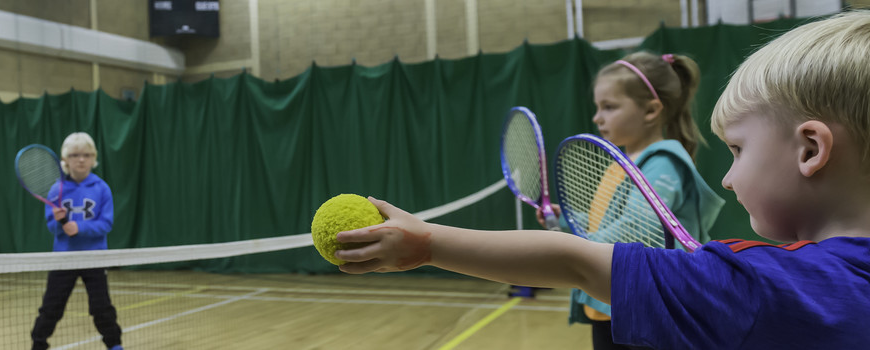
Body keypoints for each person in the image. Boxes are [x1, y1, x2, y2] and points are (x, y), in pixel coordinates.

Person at [335, 11, 870, 349]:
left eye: (737, 150)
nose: (727, 179)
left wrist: (425, 243)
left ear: (810, 149)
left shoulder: (755, 288)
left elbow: (579, 256)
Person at [549, 51, 726, 349]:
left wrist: (572, 251)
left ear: (651, 110)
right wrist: (566, 219)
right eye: (597, 107)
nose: (597, 117)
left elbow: (637, 228)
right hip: (609, 302)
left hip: (641, 307)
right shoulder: (620, 162)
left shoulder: (663, 163)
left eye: (609, 107)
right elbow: (606, 223)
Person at [30, 132, 123, 350]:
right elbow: (52, 228)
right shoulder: (56, 190)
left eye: (86, 155)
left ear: (93, 158)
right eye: (74, 155)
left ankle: (115, 345)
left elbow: (106, 224)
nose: (80, 159)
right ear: (65, 160)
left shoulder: (102, 188)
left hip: (94, 259)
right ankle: (38, 344)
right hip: (64, 259)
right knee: (51, 307)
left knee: (101, 308)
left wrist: (79, 227)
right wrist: (58, 222)